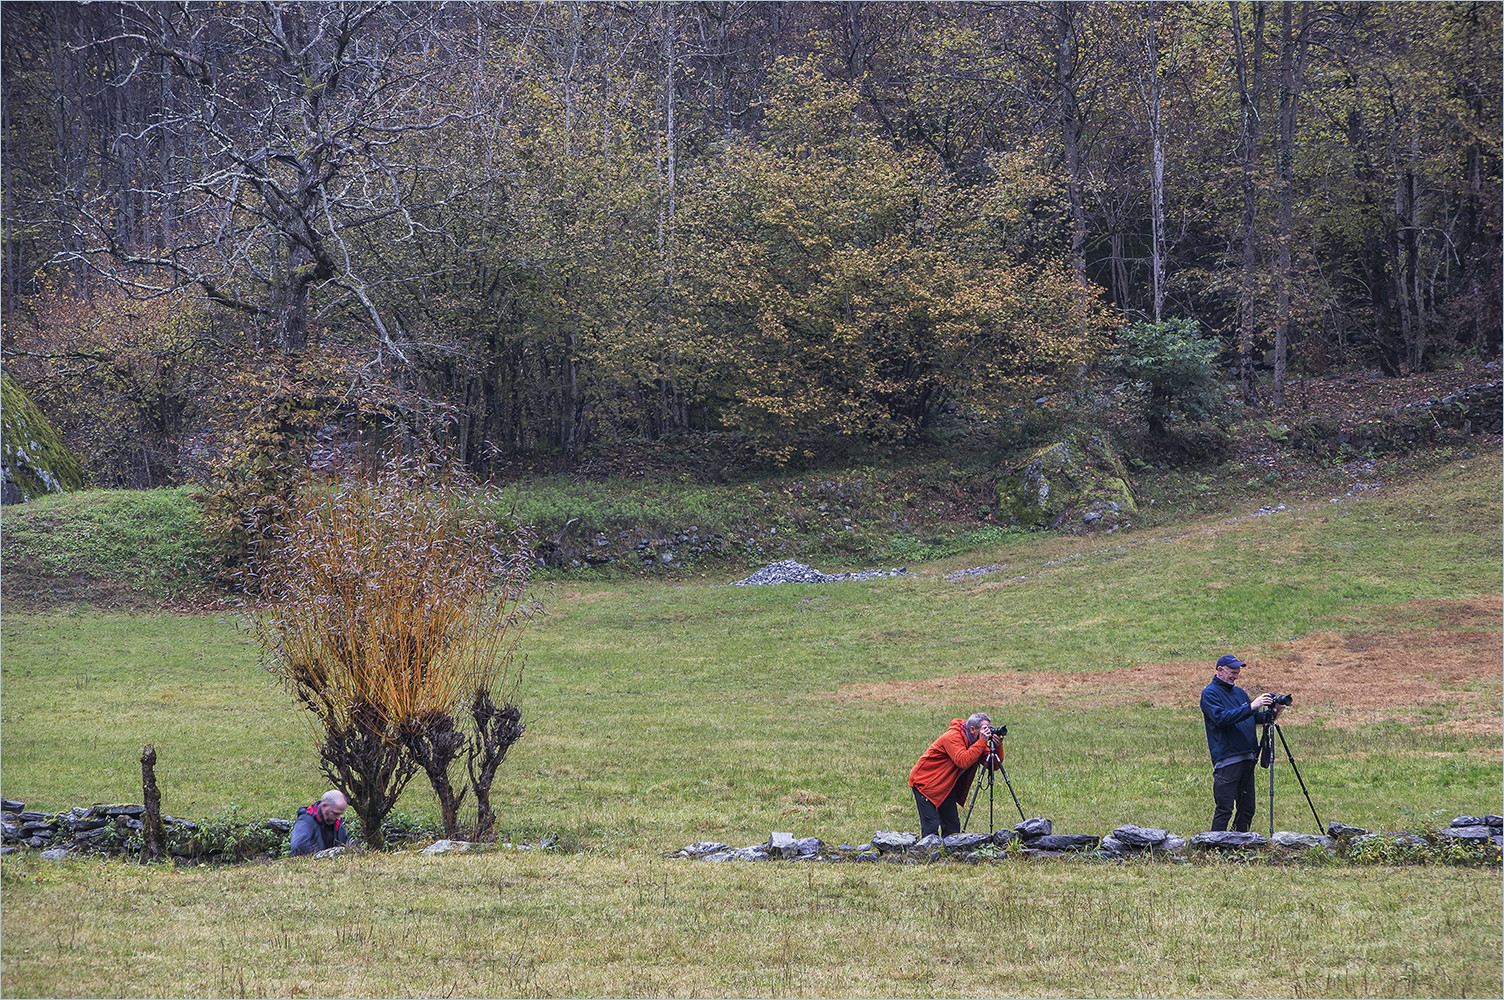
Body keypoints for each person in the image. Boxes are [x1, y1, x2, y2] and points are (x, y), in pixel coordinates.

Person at [1200, 654, 1283, 832]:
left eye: (1237, 673)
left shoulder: (1239, 693)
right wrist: (1252, 706)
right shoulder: (1210, 693)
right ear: (1219, 671)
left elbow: (1256, 718)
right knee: (1225, 809)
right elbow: (1221, 718)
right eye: (1232, 672)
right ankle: (1214, 848)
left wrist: (1275, 711)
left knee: (1247, 809)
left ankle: (1238, 845)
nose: (1236, 676)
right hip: (1228, 759)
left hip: (1248, 758)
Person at [908, 712, 1002, 838]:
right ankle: (928, 855)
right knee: (931, 826)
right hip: (926, 784)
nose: (988, 732)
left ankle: (949, 856)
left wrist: (998, 746)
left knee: (952, 826)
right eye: (984, 729)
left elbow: (994, 765)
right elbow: (963, 761)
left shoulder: (977, 740)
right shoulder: (953, 737)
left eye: (989, 728)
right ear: (972, 729)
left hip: (946, 785)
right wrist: (982, 742)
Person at [290, 789, 349, 856]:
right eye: (335, 813)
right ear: (324, 806)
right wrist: (326, 856)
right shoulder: (305, 821)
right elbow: (298, 848)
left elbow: (346, 845)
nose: (338, 818)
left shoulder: (336, 822)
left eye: (340, 814)